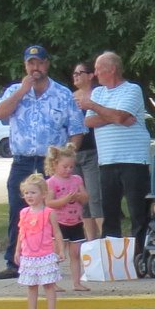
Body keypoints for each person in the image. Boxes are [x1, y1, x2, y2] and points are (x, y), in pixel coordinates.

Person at [0, 45, 84, 280]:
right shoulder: (15, 90)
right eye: (31, 63)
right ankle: (15, 261)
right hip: (22, 161)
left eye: (39, 63)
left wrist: (68, 155)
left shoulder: (62, 94)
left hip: (50, 163)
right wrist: (21, 91)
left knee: (51, 211)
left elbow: (77, 129)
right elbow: (0, 113)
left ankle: (50, 259)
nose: (35, 68)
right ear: (25, 65)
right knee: (18, 210)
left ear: (47, 64)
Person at [81, 52, 152, 256]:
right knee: (109, 211)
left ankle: (139, 255)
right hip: (107, 160)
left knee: (137, 210)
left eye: (98, 69)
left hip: (133, 159)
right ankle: (112, 258)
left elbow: (120, 116)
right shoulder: (99, 93)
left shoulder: (132, 90)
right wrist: (114, 116)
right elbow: (90, 121)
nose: (95, 74)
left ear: (111, 69)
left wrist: (95, 107)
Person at [14, 172, 62, 309]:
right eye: (26, 193)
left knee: (48, 284)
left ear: (43, 194)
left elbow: (57, 232)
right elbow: (21, 232)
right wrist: (17, 251)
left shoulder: (49, 213)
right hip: (29, 255)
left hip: (45, 253)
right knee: (31, 285)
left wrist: (60, 250)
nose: (29, 196)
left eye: (33, 192)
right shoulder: (24, 213)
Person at [44, 142, 90, 292]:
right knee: (57, 253)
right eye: (65, 167)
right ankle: (52, 282)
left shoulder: (77, 179)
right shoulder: (51, 182)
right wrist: (64, 200)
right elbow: (49, 202)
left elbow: (85, 198)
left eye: (71, 167)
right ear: (55, 164)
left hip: (76, 222)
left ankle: (76, 283)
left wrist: (78, 196)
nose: (69, 170)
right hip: (59, 223)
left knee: (75, 254)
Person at [67, 61, 104, 239]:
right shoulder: (71, 98)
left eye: (80, 73)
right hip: (75, 154)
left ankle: (106, 240)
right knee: (82, 200)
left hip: (93, 151)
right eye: (74, 73)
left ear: (90, 75)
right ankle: (91, 242)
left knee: (95, 197)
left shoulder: (98, 96)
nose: (76, 76)